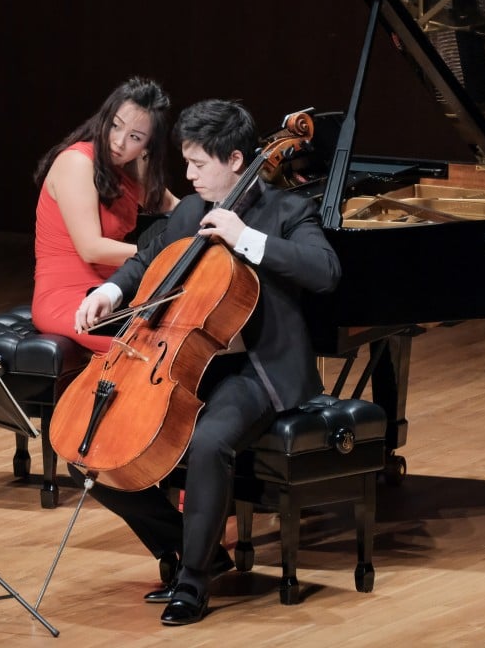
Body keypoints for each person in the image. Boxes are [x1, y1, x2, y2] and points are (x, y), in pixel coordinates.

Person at [72, 99, 342, 625]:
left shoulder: (289, 213)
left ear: (236, 160)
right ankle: (188, 549)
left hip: (256, 369)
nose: (189, 175)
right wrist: (108, 291)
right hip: (185, 362)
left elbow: (325, 271)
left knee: (209, 441)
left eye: (199, 163)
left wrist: (247, 240)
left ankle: (193, 585)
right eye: (188, 162)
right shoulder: (190, 213)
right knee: (91, 448)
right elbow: (149, 262)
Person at [32, 77, 179, 353]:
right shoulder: (77, 162)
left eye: (135, 137)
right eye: (115, 126)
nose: (119, 142)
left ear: (147, 146)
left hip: (113, 290)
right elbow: (91, 249)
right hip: (66, 297)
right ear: (105, 118)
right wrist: (163, 255)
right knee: (150, 345)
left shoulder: (128, 170)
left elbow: (179, 209)